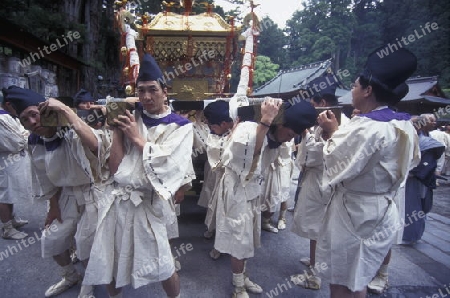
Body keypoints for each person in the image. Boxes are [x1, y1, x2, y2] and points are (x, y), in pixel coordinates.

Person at [311, 47, 420, 298]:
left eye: (355, 85)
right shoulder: (404, 123)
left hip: (354, 209)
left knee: (341, 279)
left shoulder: (366, 127)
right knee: (359, 276)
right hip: (382, 207)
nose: (352, 90)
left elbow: (336, 163)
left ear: (368, 90)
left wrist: (331, 132)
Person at [83, 53, 193, 298]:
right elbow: (115, 168)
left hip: (149, 203)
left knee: (164, 264)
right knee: (111, 263)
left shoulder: (182, 126)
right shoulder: (131, 116)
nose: (146, 96)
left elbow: (172, 163)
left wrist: (136, 138)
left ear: (166, 91)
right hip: (119, 201)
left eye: (153, 89)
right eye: (141, 90)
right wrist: (119, 132)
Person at [4, 85, 101, 298]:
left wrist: (66, 111)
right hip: (65, 194)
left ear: (46, 111)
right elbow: (43, 176)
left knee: (86, 245)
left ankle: (88, 288)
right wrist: (53, 207)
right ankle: (70, 275)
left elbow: (95, 145)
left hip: (93, 191)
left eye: (34, 115)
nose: (32, 123)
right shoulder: (34, 141)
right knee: (52, 239)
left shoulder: (72, 129)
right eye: (24, 120)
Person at [290, 75, 348, 289]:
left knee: (319, 229)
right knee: (318, 230)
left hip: (323, 183)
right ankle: (316, 262)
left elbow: (312, 158)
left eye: (313, 104)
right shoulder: (340, 122)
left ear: (322, 103)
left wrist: (305, 135)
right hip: (324, 183)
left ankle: (315, 276)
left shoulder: (329, 126)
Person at [402, 115, 445, 244]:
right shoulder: (409, 138)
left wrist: (412, 172)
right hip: (408, 178)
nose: (434, 123)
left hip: (418, 179)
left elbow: (428, 164)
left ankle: (410, 236)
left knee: (416, 207)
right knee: (409, 207)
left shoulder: (427, 142)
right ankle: (407, 235)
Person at [202, 100, 234, 259]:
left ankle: (221, 245)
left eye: (213, 126)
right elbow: (215, 153)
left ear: (224, 123)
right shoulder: (214, 135)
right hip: (219, 177)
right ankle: (213, 231)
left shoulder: (239, 134)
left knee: (226, 213)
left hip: (234, 183)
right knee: (215, 207)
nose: (211, 129)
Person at [0, 91, 31, 240]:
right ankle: (7, 228)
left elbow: (25, 134)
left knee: (10, 192)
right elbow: (16, 142)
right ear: (7, 104)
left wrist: (24, 136)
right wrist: (25, 137)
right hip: (5, 162)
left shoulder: (10, 117)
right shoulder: (2, 118)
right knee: (5, 194)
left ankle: (11, 220)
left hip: (12, 162)